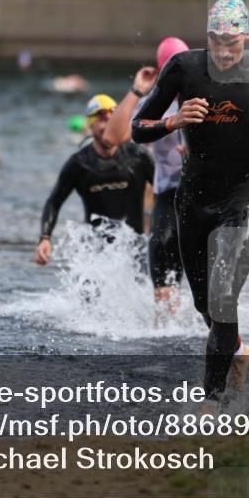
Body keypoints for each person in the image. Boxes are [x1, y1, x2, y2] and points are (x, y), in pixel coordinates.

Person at [131, 0, 249, 408]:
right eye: (216, 40)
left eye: (232, 41)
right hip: (192, 199)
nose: (224, 50)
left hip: (241, 198)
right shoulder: (183, 68)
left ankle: (212, 401)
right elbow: (137, 127)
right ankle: (238, 351)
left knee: (222, 295)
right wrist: (173, 121)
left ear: (246, 35)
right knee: (204, 304)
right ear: (207, 37)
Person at [104, 37, 190, 315]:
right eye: (172, 70)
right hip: (168, 195)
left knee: (208, 281)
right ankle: (167, 331)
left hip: (204, 196)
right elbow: (113, 137)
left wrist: (198, 151)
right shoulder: (156, 103)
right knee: (163, 268)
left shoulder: (206, 95)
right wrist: (137, 90)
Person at [34, 94, 155, 268]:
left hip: (135, 249)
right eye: (100, 117)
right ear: (89, 125)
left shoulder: (138, 156)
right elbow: (54, 202)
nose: (107, 122)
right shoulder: (79, 163)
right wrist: (45, 238)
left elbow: (167, 192)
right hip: (96, 253)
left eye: (112, 117)